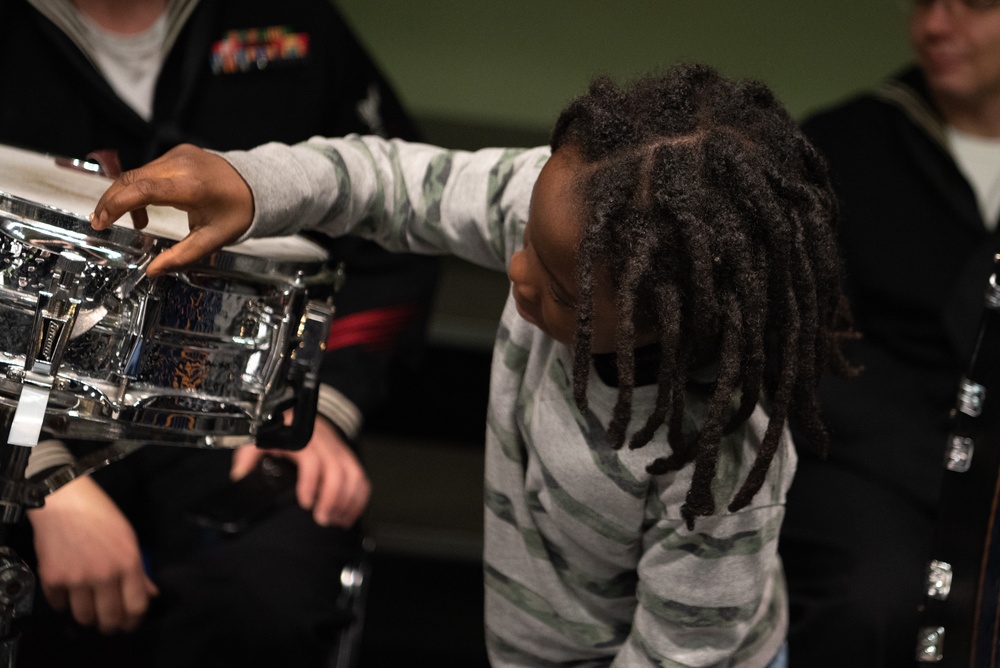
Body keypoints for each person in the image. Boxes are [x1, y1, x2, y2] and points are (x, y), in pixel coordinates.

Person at [92, 63, 856, 667]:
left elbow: (681, 656)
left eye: (558, 292)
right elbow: (385, 181)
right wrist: (252, 184)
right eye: (521, 238)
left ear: (670, 319)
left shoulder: (713, 460)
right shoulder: (568, 211)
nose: (516, 269)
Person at [0, 1, 439, 666]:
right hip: (27, 415)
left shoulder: (291, 22)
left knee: (267, 604)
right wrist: (42, 476)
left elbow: (395, 248)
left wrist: (320, 411)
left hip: (238, 410)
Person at [776, 0, 1000, 665]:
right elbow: (810, 353)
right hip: (874, 469)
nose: (935, 26)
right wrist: (954, 465)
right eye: (925, 2)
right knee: (871, 601)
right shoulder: (842, 147)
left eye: (975, 5)